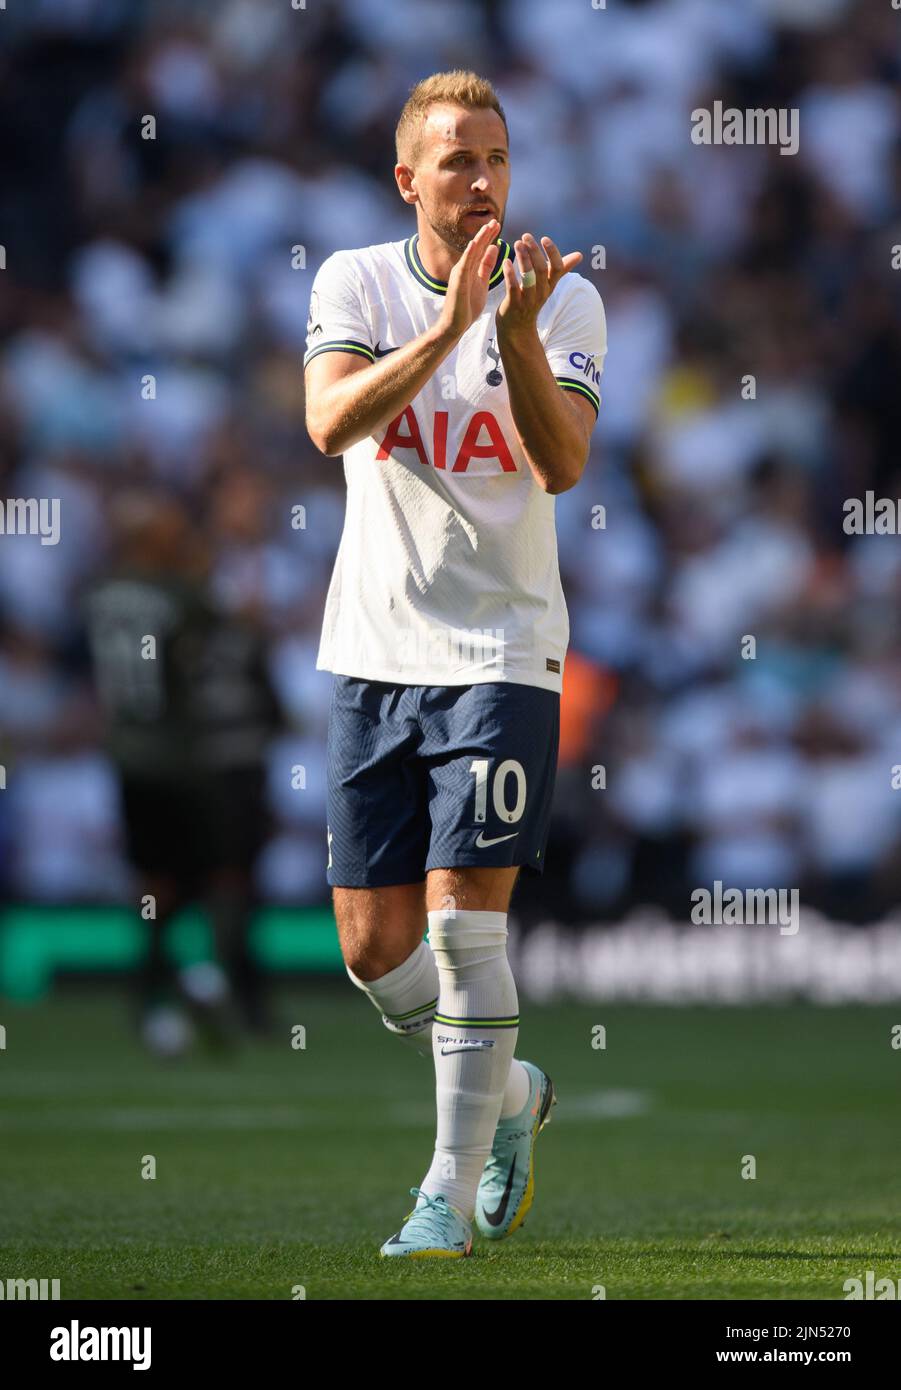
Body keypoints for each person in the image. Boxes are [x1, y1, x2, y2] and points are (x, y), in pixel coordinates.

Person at [303, 70, 606, 1257]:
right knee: (374, 953)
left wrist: (515, 330)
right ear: (407, 180)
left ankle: (443, 1196)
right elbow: (329, 422)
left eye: (496, 159)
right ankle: (514, 1086)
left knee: (460, 934)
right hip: (374, 648)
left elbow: (563, 459)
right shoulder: (356, 281)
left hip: (503, 650)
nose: (481, 180)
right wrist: (446, 327)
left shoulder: (562, 300)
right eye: (457, 161)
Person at [85, 490, 278, 1054]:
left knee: (155, 887)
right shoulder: (178, 596)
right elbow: (232, 618)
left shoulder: (100, 594)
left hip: (126, 755)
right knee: (223, 875)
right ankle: (220, 992)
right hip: (183, 759)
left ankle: (153, 998)